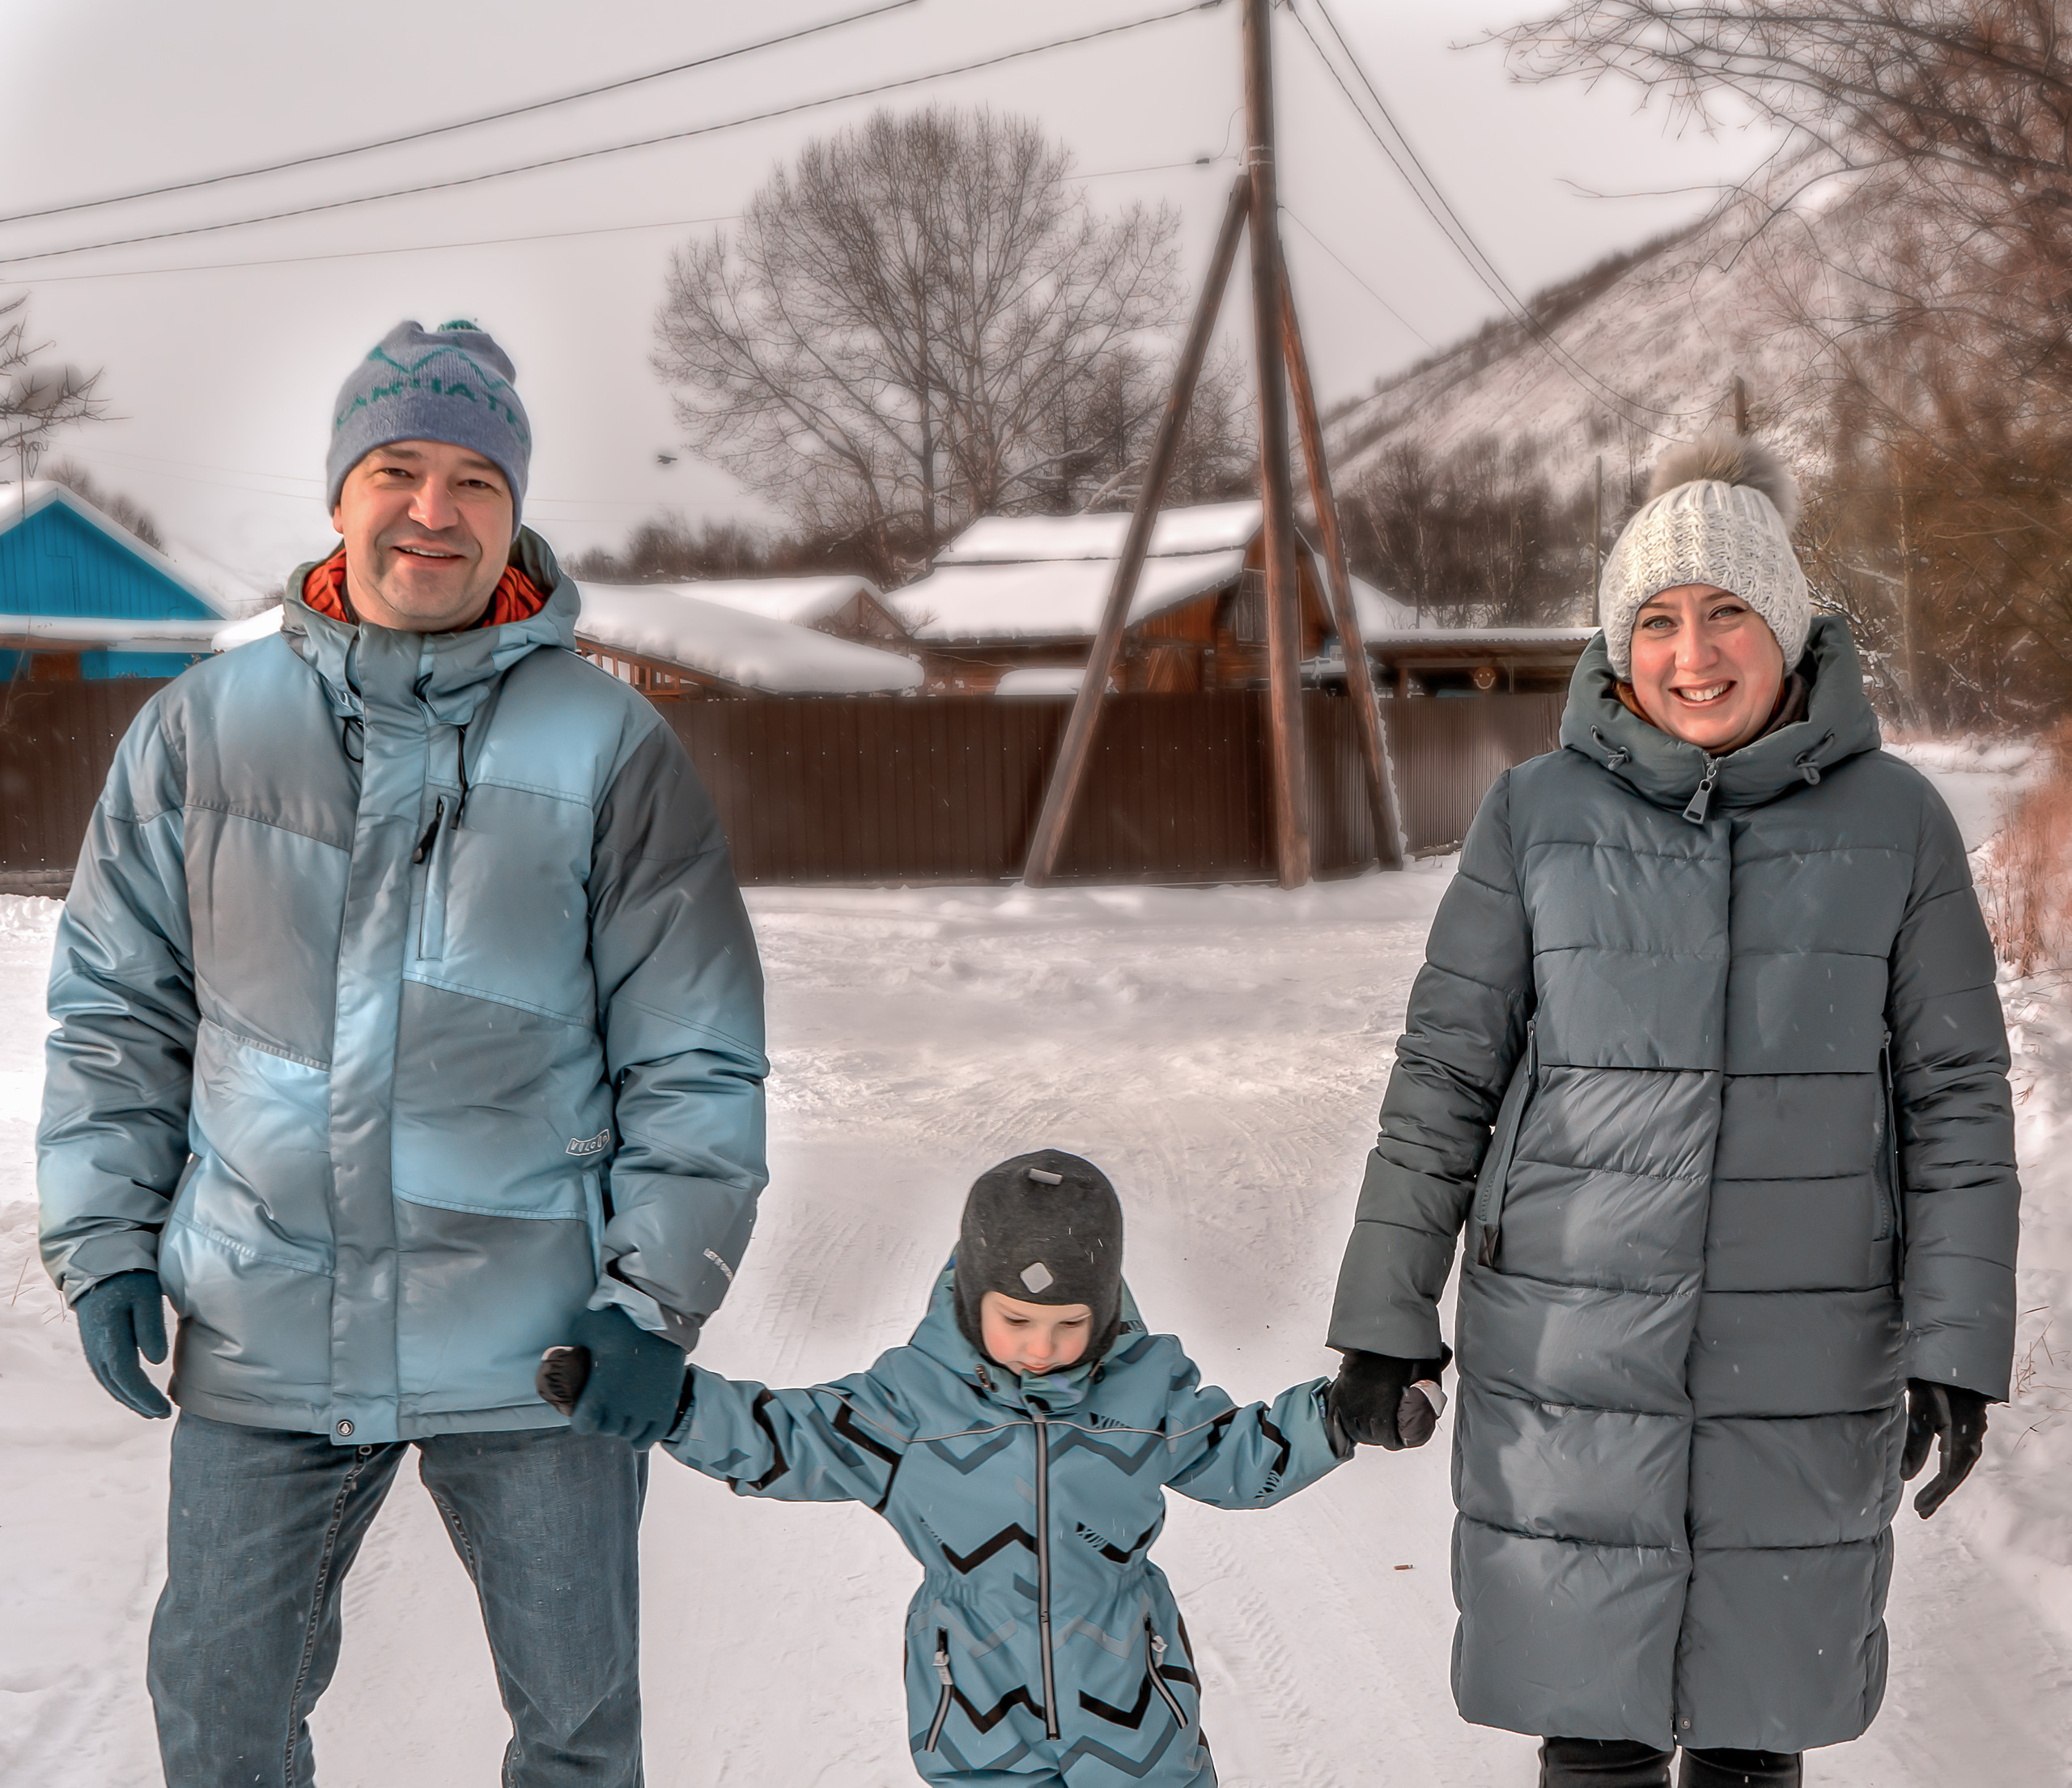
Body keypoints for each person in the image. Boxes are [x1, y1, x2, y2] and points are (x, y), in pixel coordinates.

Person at [37, 319, 768, 1787]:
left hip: (539, 1337)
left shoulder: (607, 745)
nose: (433, 508)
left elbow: (692, 1044)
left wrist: (655, 1294)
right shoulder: (199, 734)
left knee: (576, 1728)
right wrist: (105, 1237)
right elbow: (119, 1011)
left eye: (472, 480)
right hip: (263, 1315)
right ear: (341, 492)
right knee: (221, 1716)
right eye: (397, 469)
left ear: (513, 510)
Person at [1323, 433, 2019, 1788]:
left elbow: (1954, 1100)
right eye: (1655, 620)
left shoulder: (1897, 824)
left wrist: (1959, 1338)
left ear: (1789, 626)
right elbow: (1445, 1078)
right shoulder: (1537, 816)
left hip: (1806, 1344)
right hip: (1572, 1342)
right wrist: (1382, 1318)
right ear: (1615, 642)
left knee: (1763, 1717)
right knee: (1591, 1718)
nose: (1691, 655)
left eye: (1725, 614)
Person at [652, 1149, 1349, 1786]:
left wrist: (1342, 1415)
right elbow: (787, 1437)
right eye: (1015, 1320)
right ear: (972, 1296)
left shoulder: (1146, 1390)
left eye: (1070, 1323)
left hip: (1134, 1709)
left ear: (1105, 1311)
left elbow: (1238, 1453)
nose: (1041, 1347)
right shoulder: (911, 1405)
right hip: (978, 1712)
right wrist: (672, 1402)